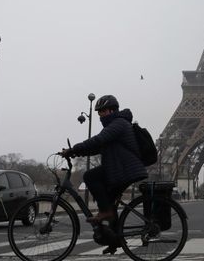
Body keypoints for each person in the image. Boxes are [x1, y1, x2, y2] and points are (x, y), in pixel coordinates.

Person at [61, 95, 148, 223]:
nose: (100, 115)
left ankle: (106, 212)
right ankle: (114, 237)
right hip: (123, 168)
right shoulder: (117, 124)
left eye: (103, 111)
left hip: (125, 169)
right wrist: (76, 153)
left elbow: (98, 140)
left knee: (90, 176)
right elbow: (98, 148)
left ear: (112, 110)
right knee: (109, 201)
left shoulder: (119, 123)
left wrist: (74, 149)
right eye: (99, 112)